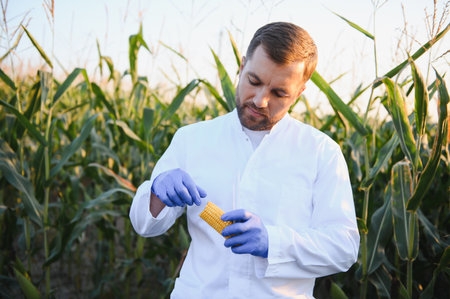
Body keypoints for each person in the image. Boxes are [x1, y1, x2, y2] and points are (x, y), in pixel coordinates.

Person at [130, 22, 360, 298]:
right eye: (254, 81)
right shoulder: (191, 139)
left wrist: (273, 243)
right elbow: (145, 225)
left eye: (279, 93)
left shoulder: (322, 152)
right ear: (241, 67)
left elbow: (343, 248)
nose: (261, 100)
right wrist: (157, 193)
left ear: (299, 93)